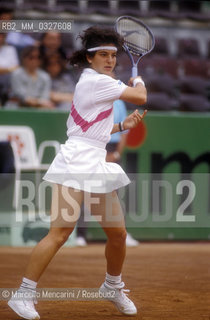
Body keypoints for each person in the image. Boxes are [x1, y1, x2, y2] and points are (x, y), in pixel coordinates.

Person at [8, 26, 147, 319]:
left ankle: (112, 286)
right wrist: (138, 77)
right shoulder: (99, 82)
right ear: (89, 57)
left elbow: (88, 129)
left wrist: (122, 126)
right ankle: (23, 295)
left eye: (113, 55)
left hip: (94, 160)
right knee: (60, 234)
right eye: (103, 55)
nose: (110, 60)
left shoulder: (94, 81)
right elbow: (140, 96)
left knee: (118, 234)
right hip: (75, 162)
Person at [76, 99, 140, 247]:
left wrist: (116, 154)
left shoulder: (119, 103)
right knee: (86, 191)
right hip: (94, 147)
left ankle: (120, 233)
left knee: (114, 195)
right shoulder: (93, 100)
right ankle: (80, 234)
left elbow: (124, 132)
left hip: (112, 149)